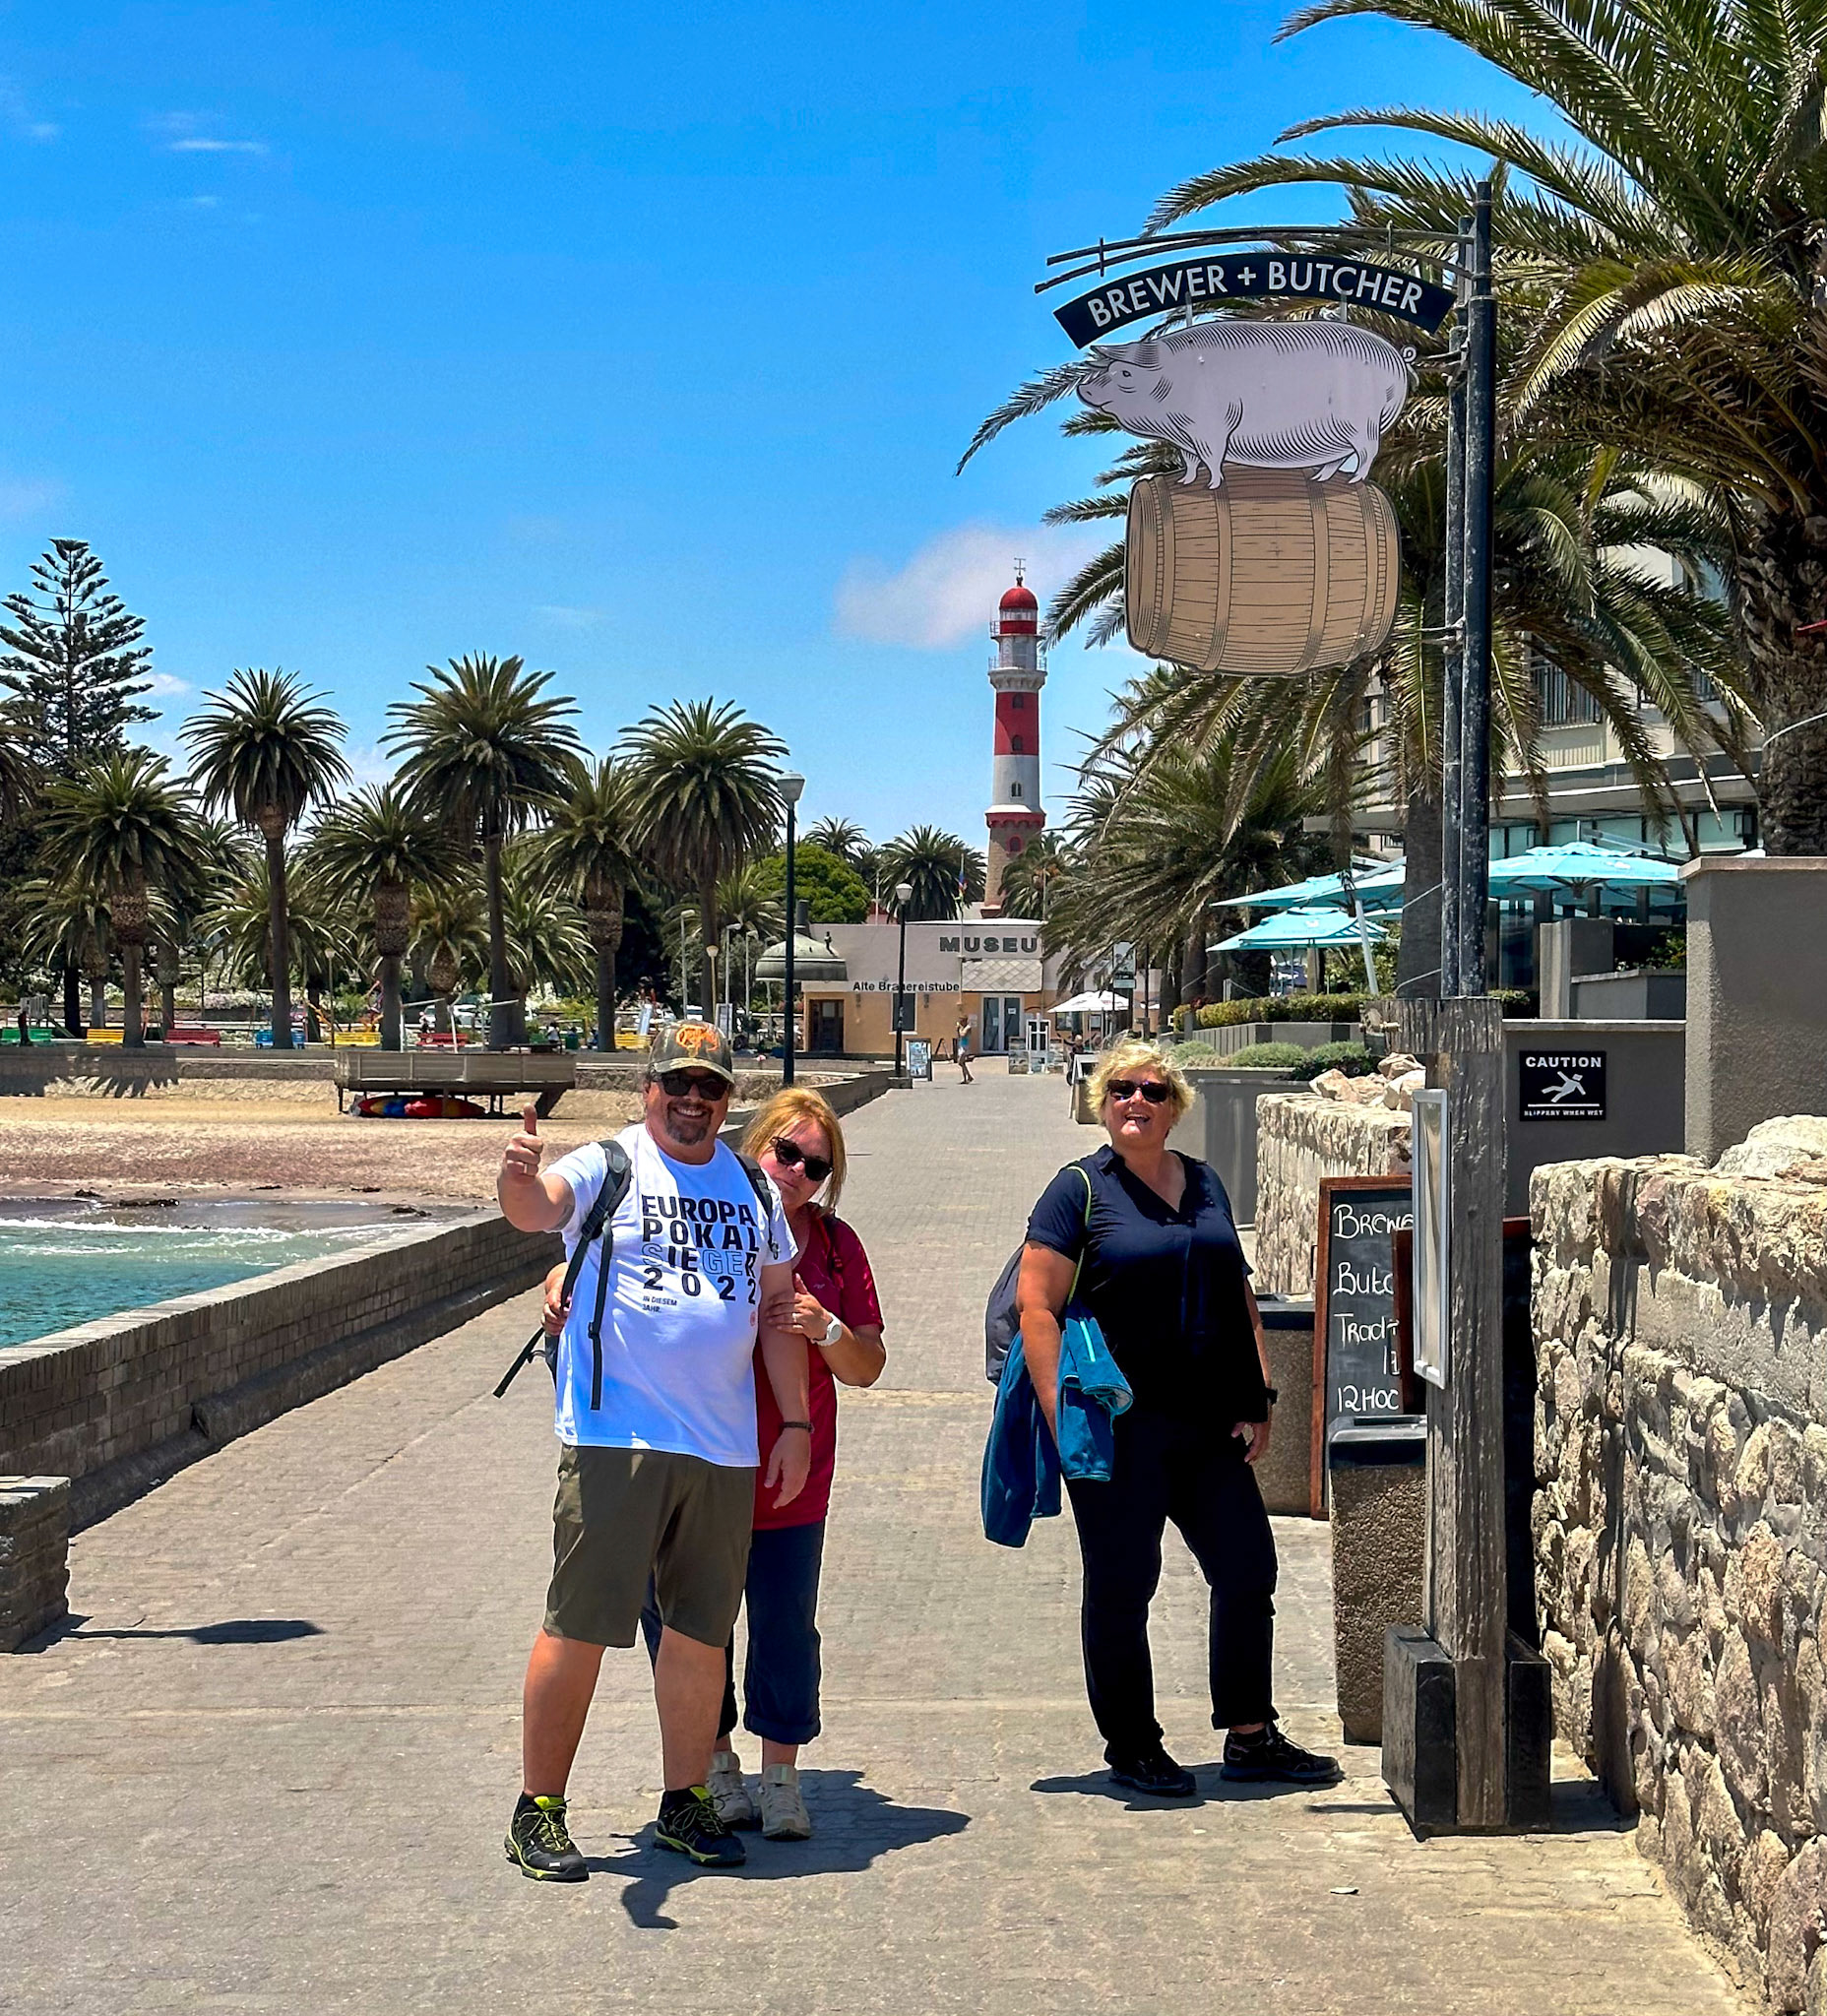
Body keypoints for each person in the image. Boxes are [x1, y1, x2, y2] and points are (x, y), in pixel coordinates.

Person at [496, 1021, 810, 1880]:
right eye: (678, 1083)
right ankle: (539, 1810)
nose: (693, 1100)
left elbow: (777, 1314)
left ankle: (684, 1800)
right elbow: (537, 1210)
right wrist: (515, 1177)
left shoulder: (755, 1186)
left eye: (710, 1086)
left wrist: (792, 1425)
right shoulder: (609, 1164)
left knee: (700, 1635)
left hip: (724, 1445)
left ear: (729, 1098)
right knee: (581, 1624)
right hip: (615, 1437)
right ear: (649, 1089)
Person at [541, 1085, 886, 1842]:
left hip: (786, 1472)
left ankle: (781, 1777)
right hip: (679, 1454)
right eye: (787, 1152)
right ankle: (713, 1768)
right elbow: (613, 1253)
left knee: (785, 1627)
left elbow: (867, 1364)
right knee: (687, 1626)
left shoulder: (834, 1247)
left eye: (817, 1166)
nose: (797, 1173)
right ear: (757, 1143)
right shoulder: (702, 1207)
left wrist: (825, 1329)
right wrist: (563, 1277)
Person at [1015, 1037, 1339, 1797]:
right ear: (1103, 1103)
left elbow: (1237, 1293)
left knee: (1247, 1569)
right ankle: (1132, 1744)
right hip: (1119, 1426)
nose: (1137, 1101)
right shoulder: (1077, 1190)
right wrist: (1061, 1419)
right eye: (1123, 1089)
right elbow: (1037, 1308)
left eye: (1153, 1091)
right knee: (1124, 1585)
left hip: (1208, 1423)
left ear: (1175, 1106)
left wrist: (1259, 1395)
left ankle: (1251, 1735)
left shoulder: (1204, 1181)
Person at [954, 1013, 974, 1085]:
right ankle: (966, 1078)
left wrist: (960, 1028)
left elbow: (962, 1034)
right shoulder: (962, 1027)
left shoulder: (968, 1027)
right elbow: (959, 1036)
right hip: (961, 1045)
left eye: (961, 1021)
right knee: (962, 1063)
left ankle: (969, 1076)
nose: (960, 1022)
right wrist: (957, 1029)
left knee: (960, 1062)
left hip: (965, 1046)